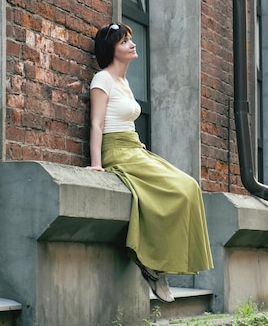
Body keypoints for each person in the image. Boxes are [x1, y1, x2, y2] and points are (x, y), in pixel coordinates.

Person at [87, 22, 213, 303]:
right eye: (123, 42)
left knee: (189, 186)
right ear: (111, 50)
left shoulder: (124, 82)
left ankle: (157, 263)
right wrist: (97, 164)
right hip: (117, 151)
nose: (132, 44)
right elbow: (96, 123)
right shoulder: (102, 79)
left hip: (135, 148)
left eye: (130, 39)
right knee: (178, 190)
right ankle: (153, 264)